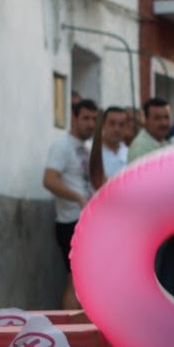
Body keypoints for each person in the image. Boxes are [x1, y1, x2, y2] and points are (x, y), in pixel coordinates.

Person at [41, 98, 99, 309]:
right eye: (86, 118)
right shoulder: (62, 146)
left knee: (87, 281)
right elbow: (49, 180)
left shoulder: (90, 147)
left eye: (94, 118)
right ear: (74, 118)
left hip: (89, 221)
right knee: (75, 280)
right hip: (71, 221)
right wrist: (78, 198)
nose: (91, 124)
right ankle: (71, 332)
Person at [127, 97, 174, 299]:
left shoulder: (165, 144)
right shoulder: (141, 146)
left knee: (168, 284)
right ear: (146, 120)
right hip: (150, 229)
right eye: (157, 118)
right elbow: (142, 191)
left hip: (168, 226)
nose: (163, 122)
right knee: (153, 285)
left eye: (166, 117)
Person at [87, 105, 130, 192]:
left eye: (121, 125)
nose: (116, 129)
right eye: (112, 123)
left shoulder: (128, 153)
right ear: (103, 124)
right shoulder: (89, 149)